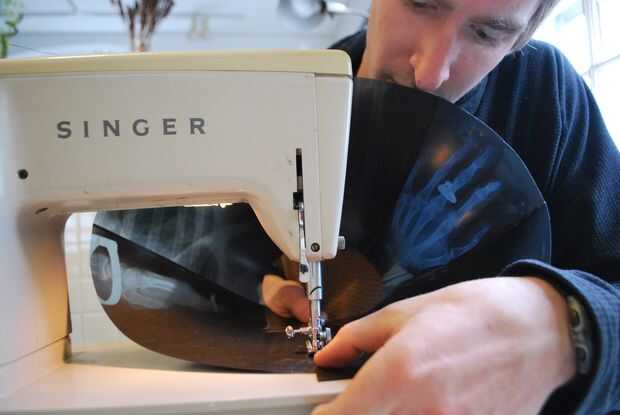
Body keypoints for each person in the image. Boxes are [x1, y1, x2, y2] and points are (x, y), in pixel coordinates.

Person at [261, 0, 620, 413]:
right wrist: (255, 281)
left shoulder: (546, 94)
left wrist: (565, 327)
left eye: (486, 34)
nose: (430, 74)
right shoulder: (296, 98)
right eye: (421, 3)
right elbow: (224, 254)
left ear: (519, 39)